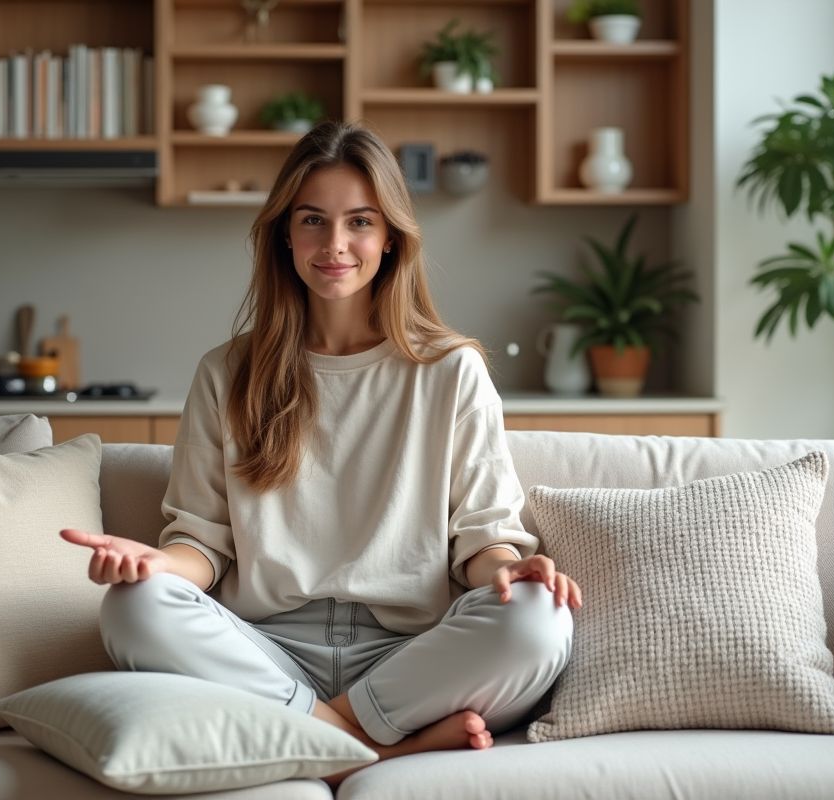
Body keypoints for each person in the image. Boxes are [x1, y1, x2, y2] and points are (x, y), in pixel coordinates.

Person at [61, 120, 581, 779]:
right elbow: (203, 543)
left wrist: (509, 570)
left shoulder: (451, 370)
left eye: (360, 221)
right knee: (133, 610)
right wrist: (154, 565)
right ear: (284, 232)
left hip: (411, 653)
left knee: (539, 620)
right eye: (313, 220)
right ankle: (374, 748)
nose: (335, 245)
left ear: (390, 236)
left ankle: (307, 735)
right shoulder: (227, 372)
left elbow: (482, 539)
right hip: (267, 647)